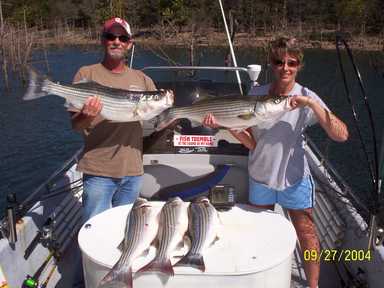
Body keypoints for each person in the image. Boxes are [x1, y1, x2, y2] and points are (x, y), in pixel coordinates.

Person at [203, 37, 349, 288]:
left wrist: (312, 104)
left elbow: (342, 135)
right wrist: (224, 125)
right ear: (271, 64)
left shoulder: (307, 96)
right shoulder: (256, 94)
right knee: (260, 229)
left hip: (296, 179)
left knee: (307, 233)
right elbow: (252, 142)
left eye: (292, 62)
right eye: (279, 61)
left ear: (299, 65)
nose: (285, 67)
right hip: (260, 176)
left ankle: (313, 285)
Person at [68, 17, 157, 222]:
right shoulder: (86, 73)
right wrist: (85, 115)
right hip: (98, 170)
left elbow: (160, 114)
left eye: (123, 38)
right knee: (95, 226)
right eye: (111, 36)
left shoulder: (142, 79)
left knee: (124, 226)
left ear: (129, 44)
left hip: (133, 170)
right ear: (102, 40)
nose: (117, 41)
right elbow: (75, 125)